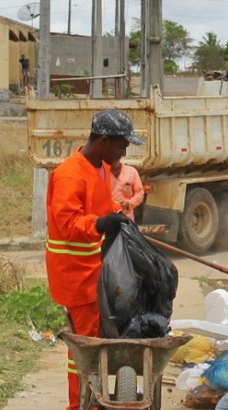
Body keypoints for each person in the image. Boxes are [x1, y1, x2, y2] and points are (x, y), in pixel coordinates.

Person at [45, 108, 144, 410]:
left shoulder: (99, 167)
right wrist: (100, 225)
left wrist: (116, 219)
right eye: (121, 145)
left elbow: (100, 208)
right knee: (86, 345)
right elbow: (68, 224)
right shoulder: (69, 175)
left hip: (93, 269)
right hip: (74, 273)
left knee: (95, 337)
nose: (124, 151)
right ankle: (81, 404)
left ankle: (92, 397)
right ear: (103, 139)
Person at [101, 155, 145, 222]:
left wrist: (128, 204)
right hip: (107, 219)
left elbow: (139, 192)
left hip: (127, 218)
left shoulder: (131, 171)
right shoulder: (101, 173)